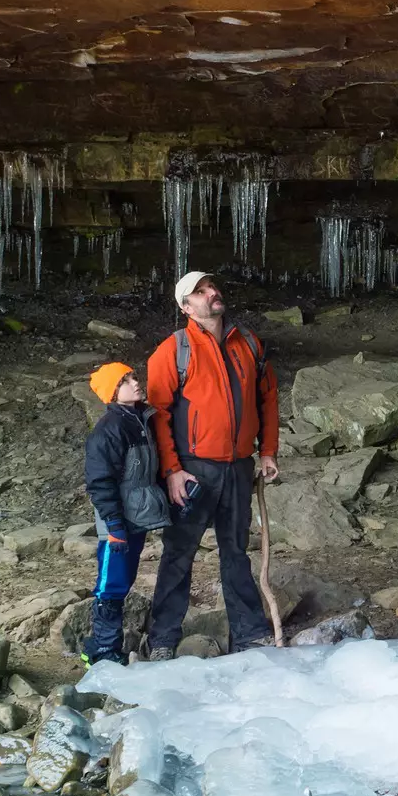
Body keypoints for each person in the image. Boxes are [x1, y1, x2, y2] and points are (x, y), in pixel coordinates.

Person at [143, 270, 280, 658]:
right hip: (192, 469)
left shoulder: (248, 343)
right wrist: (171, 471)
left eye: (212, 287)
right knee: (179, 553)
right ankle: (163, 638)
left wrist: (267, 450)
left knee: (236, 550)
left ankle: (250, 633)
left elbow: (267, 398)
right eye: (200, 292)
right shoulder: (173, 351)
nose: (212, 293)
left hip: (238, 466)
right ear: (186, 306)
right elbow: (158, 414)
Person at [79, 362, 163, 667]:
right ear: (112, 393)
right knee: (110, 584)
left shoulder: (140, 419)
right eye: (125, 381)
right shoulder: (108, 430)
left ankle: (106, 646)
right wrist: (114, 525)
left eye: (133, 377)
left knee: (123, 579)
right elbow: (100, 482)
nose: (135, 383)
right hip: (117, 522)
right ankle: (101, 650)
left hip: (136, 516)